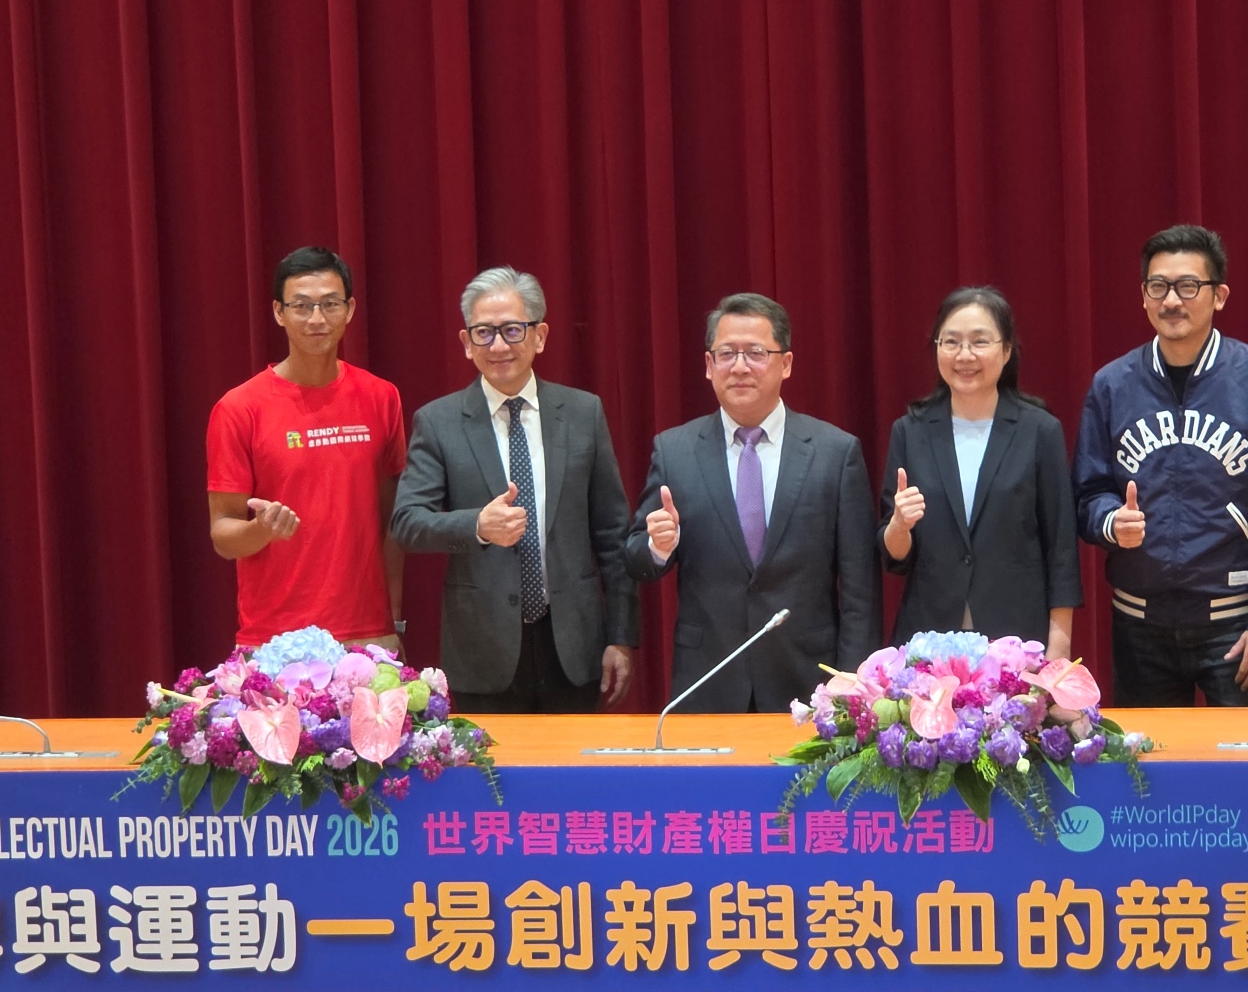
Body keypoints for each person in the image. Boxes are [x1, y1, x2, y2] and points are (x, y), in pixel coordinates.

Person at [1073, 225, 1248, 706]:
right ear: (1143, 296)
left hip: (1238, 621)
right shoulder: (1111, 385)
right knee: (1151, 756)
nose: (1171, 301)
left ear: (1218, 296)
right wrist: (1111, 522)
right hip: (1139, 624)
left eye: (1188, 286)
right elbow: (1088, 492)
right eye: (1158, 286)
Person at [391, 268, 638, 713]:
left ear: (539, 336)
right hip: (482, 648)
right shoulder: (439, 422)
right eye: (484, 333)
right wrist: (477, 526)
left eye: (512, 330)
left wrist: (620, 635)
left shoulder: (583, 413)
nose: (498, 346)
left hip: (573, 646)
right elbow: (408, 522)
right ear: (466, 343)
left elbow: (613, 534)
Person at [625, 293, 880, 712]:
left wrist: (852, 682)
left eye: (756, 353)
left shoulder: (835, 453)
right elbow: (636, 558)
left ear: (786, 363)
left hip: (808, 679)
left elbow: (859, 587)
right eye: (727, 354)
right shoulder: (675, 451)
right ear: (709, 365)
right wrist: (658, 546)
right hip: (708, 679)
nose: (740, 367)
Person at [207, 246, 405, 651]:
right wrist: (261, 529)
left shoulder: (382, 397)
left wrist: (394, 618)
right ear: (279, 312)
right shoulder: (239, 408)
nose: (317, 319)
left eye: (330, 304)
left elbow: (391, 522)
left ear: (349, 309)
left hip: (366, 634)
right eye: (301, 306)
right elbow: (223, 534)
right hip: (275, 640)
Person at [880, 287, 1081, 655]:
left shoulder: (1039, 431)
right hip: (929, 637)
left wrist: (1060, 643)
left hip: (1017, 637)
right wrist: (899, 526)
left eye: (979, 341)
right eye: (951, 342)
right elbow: (895, 556)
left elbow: (1061, 548)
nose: (964, 355)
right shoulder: (910, 432)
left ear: (1006, 351)